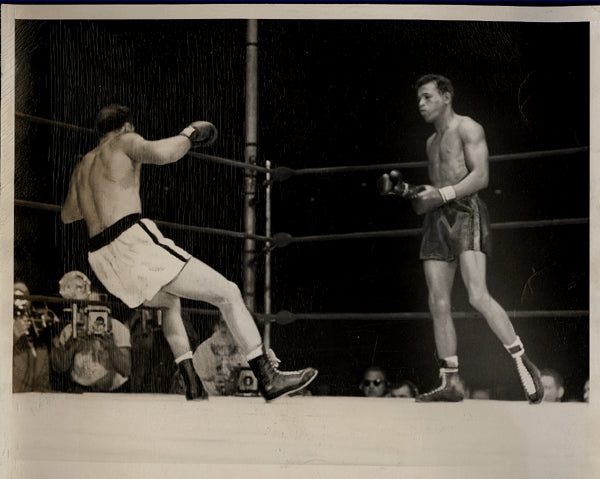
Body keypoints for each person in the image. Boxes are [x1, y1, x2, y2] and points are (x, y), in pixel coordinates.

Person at [61, 104, 317, 401]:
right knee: (228, 292)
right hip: (132, 243)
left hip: (102, 260)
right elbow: (164, 154)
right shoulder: (125, 141)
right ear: (127, 126)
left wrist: (99, 192)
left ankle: (191, 381)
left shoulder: (83, 166)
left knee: (169, 301)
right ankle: (267, 378)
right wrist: (189, 133)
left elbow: (68, 214)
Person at [377, 75, 543, 403]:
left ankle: (522, 361)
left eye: (427, 97)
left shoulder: (469, 128)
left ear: (447, 96)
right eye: (419, 99)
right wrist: (407, 191)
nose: (420, 104)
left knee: (477, 295)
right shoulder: (430, 142)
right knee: (437, 302)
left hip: (466, 211)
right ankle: (449, 382)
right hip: (437, 219)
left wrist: (440, 194)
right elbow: (434, 192)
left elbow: (480, 176)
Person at [50, 271, 131, 392]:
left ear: (106, 308)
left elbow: (126, 370)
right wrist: (71, 346)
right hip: (80, 391)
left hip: (110, 393)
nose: (94, 313)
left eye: (98, 308)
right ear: (81, 309)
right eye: (88, 308)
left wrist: (111, 347)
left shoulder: (116, 328)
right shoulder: (71, 329)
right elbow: (59, 368)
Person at [12, 281, 56, 392]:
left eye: (25, 296)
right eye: (16, 296)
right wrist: (13, 335)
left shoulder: (39, 346)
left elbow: (42, 385)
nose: (21, 302)